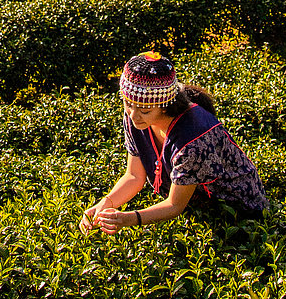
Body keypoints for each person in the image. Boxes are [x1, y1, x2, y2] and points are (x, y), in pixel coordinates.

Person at [80, 50, 267, 236]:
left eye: (145, 110)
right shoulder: (135, 115)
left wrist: (128, 219)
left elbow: (174, 205)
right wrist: (106, 202)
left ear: (164, 105)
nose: (134, 115)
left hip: (237, 212)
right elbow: (134, 176)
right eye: (128, 104)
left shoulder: (194, 138)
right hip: (196, 205)